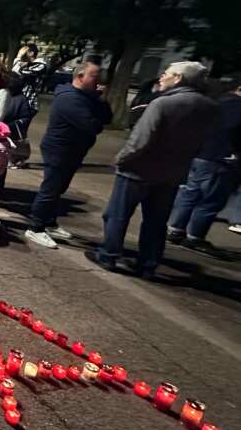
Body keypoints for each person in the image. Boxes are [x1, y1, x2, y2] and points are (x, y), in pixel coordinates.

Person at [89, 62, 220, 276]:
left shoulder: (163, 104)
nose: (161, 77)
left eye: (166, 74)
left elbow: (140, 140)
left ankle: (108, 255)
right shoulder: (210, 107)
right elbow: (206, 142)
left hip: (138, 170)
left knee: (117, 215)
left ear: (178, 78)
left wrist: (121, 159)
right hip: (172, 173)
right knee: (156, 222)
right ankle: (148, 264)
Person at [24, 61, 111, 249]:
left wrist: (100, 100)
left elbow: (106, 118)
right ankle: (35, 227)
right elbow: (92, 126)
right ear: (80, 77)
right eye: (94, 77)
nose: (98, 82)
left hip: (73, 151)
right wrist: (97, 117)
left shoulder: (87, 97)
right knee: (50, 190)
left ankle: (50, 222)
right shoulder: (69, 98)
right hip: (59, 150)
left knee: (58, 189)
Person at [166, 83, 241, 252]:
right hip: (220, 158)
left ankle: (175, 229)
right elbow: (232, 130)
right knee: (210, 200)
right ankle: (195, 236)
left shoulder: (216, 102)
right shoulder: (237, 107)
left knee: (190, 193)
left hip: (200, 155)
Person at [2, 76, 36, 168]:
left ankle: (15, 159)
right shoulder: (4, 95)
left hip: (13, 129)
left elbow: (25, 116)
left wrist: (13, 124)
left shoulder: (20, 99)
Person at [12, 44, 47, 111]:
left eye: (25, 51)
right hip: (21, 102)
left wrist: (18, 57)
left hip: (29, 104)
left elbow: (16, 73)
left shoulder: (40, 65)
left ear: (31, 53)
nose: (22, 54)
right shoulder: (29, 65)